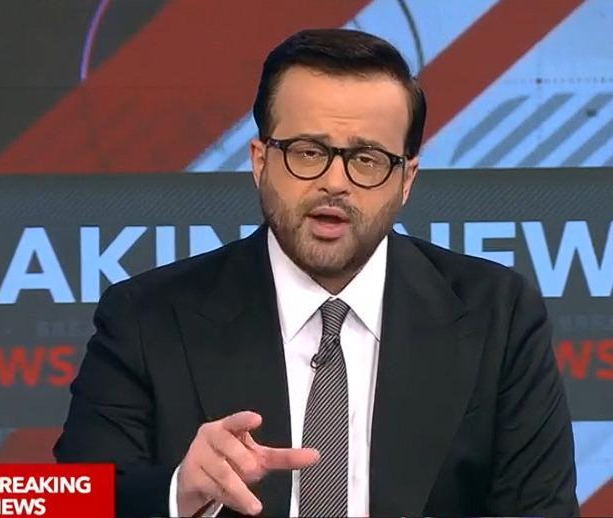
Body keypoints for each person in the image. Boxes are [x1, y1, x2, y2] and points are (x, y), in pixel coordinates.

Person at [54, 28, 578, 517]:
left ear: (406, 180)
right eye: (308, 152)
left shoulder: (497, 316)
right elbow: (73, 502)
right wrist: (179, 491)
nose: (335, 182)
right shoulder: (146, 318)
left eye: (367, 159)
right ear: (260, 161)